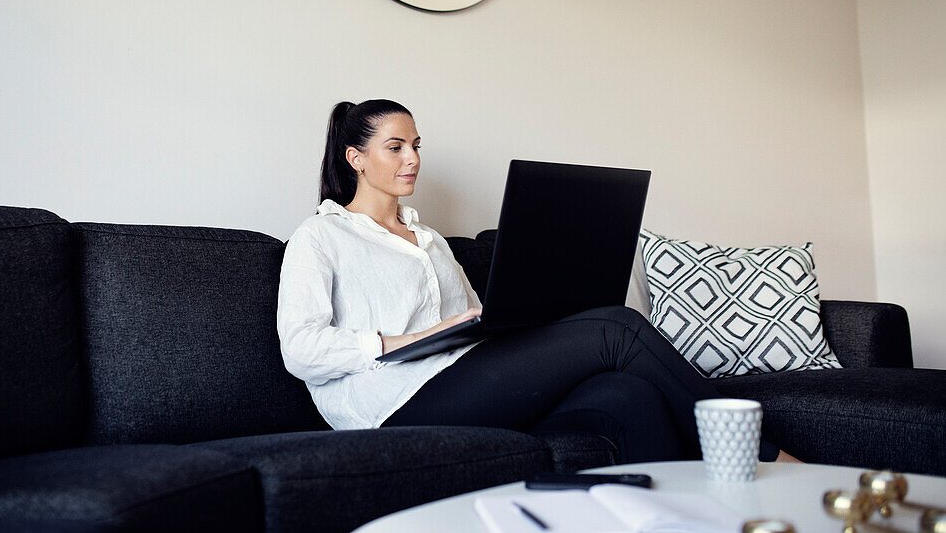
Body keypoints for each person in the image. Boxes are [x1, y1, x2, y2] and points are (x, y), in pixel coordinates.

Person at [277, 99, 791, 464]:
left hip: (464, 380)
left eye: (415, 145)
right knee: (618, 328)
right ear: (356, 158)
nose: (412, 158)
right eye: (395, 147)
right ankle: (769, 459)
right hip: (393, 403)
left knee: (629, 393)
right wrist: (402, 340)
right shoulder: (321, 236)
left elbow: (474, 320)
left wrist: (515, 320)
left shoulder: (429, 239)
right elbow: (301, 349)